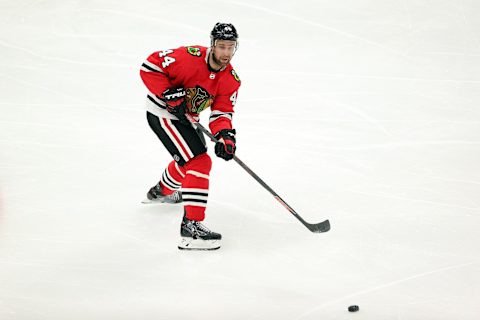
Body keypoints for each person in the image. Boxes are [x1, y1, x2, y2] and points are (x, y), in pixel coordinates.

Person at [139, 23, 241, 250]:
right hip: (162, 112)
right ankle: (191, 228)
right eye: (221, 46)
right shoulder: (189, 56)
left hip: (186, 118)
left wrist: (225, 136)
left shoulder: (231, 79)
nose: (226, 52)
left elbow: (221, 112)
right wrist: (167, 93)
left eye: (230, 47)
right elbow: (149, 66)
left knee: (190, 159)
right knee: (199, 161)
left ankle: (160, 192)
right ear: (212, 45)